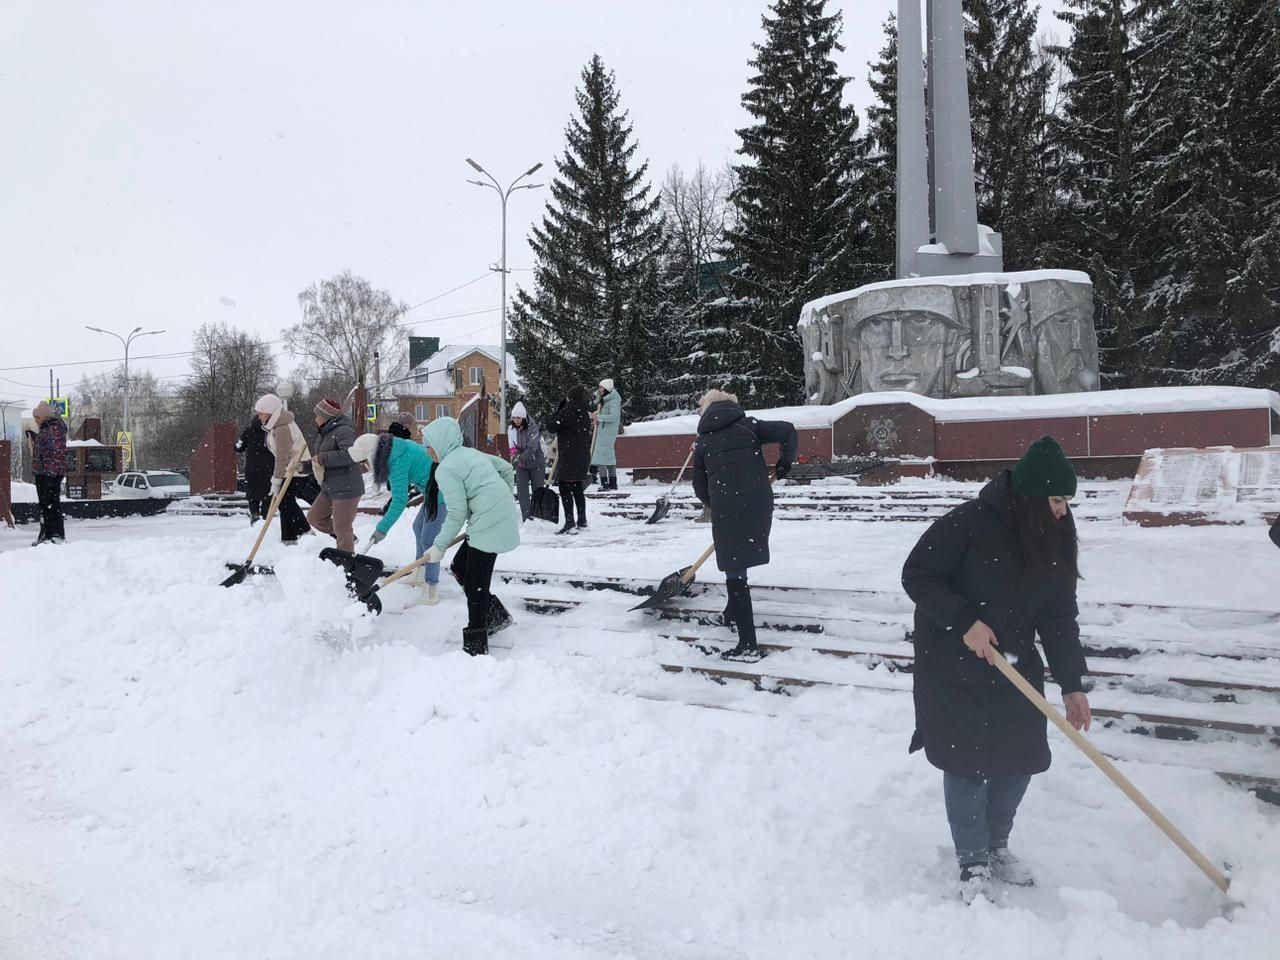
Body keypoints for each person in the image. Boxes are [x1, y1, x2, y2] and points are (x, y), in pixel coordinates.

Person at [901, 435, 1091, 904]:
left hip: (1015, 665)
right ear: (1030, 497)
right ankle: (973, 859)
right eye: (1055, 499)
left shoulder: (1054, 538)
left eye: (1066, 501)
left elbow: (1059, 617)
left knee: (1018, 758)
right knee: (967, 763)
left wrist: (1072, 684)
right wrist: (965, 620)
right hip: (952, 664)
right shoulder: (967, 524)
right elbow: (917, 574)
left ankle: (997, 845)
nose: (1063, 510)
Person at [692, 389, 798, 662]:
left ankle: (748, 646)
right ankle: (731, 614)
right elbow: (788, 430)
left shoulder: (704, 441)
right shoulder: (749, 426)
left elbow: (699, 485)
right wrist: (785, 463)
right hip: (759, 499)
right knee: (739, 559)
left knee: (734, 572)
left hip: (727, 504)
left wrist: (716, 503)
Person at [421, 417, 520, 656]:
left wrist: (439, 546)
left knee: (476, 584)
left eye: (428, 444)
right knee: (461, 567)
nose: (426, 450)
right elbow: (506, 469)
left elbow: (457, 513)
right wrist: (502, 497)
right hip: (494, 517)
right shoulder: (471, 453)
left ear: (440, 443)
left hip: (488, 522)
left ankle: (476, 647)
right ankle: (494, 616)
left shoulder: (446, 469)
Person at [351, 431, 447, 607]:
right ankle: (419, 573)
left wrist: (382, 528)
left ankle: (431, 589)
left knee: (429, 540)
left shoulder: (396, 461)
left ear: (372, 457)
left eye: (364, 462)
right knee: (418, 528)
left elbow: (400, 500)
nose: (365, 467)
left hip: (443, 493)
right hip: (432, 491)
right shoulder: (394, 450)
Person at [305, 398, 363, 554]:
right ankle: (346, 534)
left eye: (318, 415)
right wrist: (303, 467)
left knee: (342, 527)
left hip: (347, 487)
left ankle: (345, 562)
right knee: (315, 518)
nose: (315, 418)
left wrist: (322, 458)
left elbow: (350, 455)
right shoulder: (324, 433)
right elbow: (320, 460)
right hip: (330, 486)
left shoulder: (344, 430)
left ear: (326, 416)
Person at [255, 393, 313, 544]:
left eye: (261, 413)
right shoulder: (277, 425)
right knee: (284, 501)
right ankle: (288, 538)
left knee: (284, 501)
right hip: (291, 468)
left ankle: (305, 531)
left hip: (296, 468)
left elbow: (282, 456)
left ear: (270, 412)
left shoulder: (282, 428)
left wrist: (277, 479)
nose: (260, 417)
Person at [545, 384, 593, 535]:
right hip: (583, 456)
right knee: (577, 487)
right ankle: (582, 519)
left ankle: (570, 522)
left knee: (565, 488)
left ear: (570, 397)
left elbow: (551, 426)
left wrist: (559, 409)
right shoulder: (584, 412)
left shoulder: (567, 412)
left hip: (569, 456)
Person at [29, 400, 67, 546]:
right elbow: (46, 450)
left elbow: (54, 454)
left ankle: (52, 534)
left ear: (44, 417)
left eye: (37, 418)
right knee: (50, 504)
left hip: (47, 474)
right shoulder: (50, 429)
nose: (36, 421)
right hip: (48, 472)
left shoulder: (51, 430)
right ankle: (52, 534)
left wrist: (49, 476)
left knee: (49, 504)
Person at [508, 401, 546, 522]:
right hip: (522, 465)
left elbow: (532, 447)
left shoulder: (533, 428)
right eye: (514, 418)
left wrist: (520, 457)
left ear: (523, 417)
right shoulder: (511, 429)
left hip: (536, 463)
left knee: (538, 490)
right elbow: (512, 447)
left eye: (518, 418)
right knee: (522, 491)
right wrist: (515, 457)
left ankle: (538, 515)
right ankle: (526, 517)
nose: (516, 420)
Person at [235, 415, 274, 525]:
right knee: (268, 495)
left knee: (253, 495)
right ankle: (266, 520)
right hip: (269, 468)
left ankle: (255, 515)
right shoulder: (271, 431)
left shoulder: (249, 431)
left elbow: (238, 447)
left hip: (253, 469)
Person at [591, 378, 623, 491]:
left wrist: (598, 417)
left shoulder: (613, 401)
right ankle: (612, 483)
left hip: (607, 433)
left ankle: (604, 483)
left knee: (601, 458)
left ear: (607, 389)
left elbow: (613, 417)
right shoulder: (606, 401)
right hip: (604, 432)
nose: (599, 390)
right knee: (609, 458)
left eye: (601, 387)